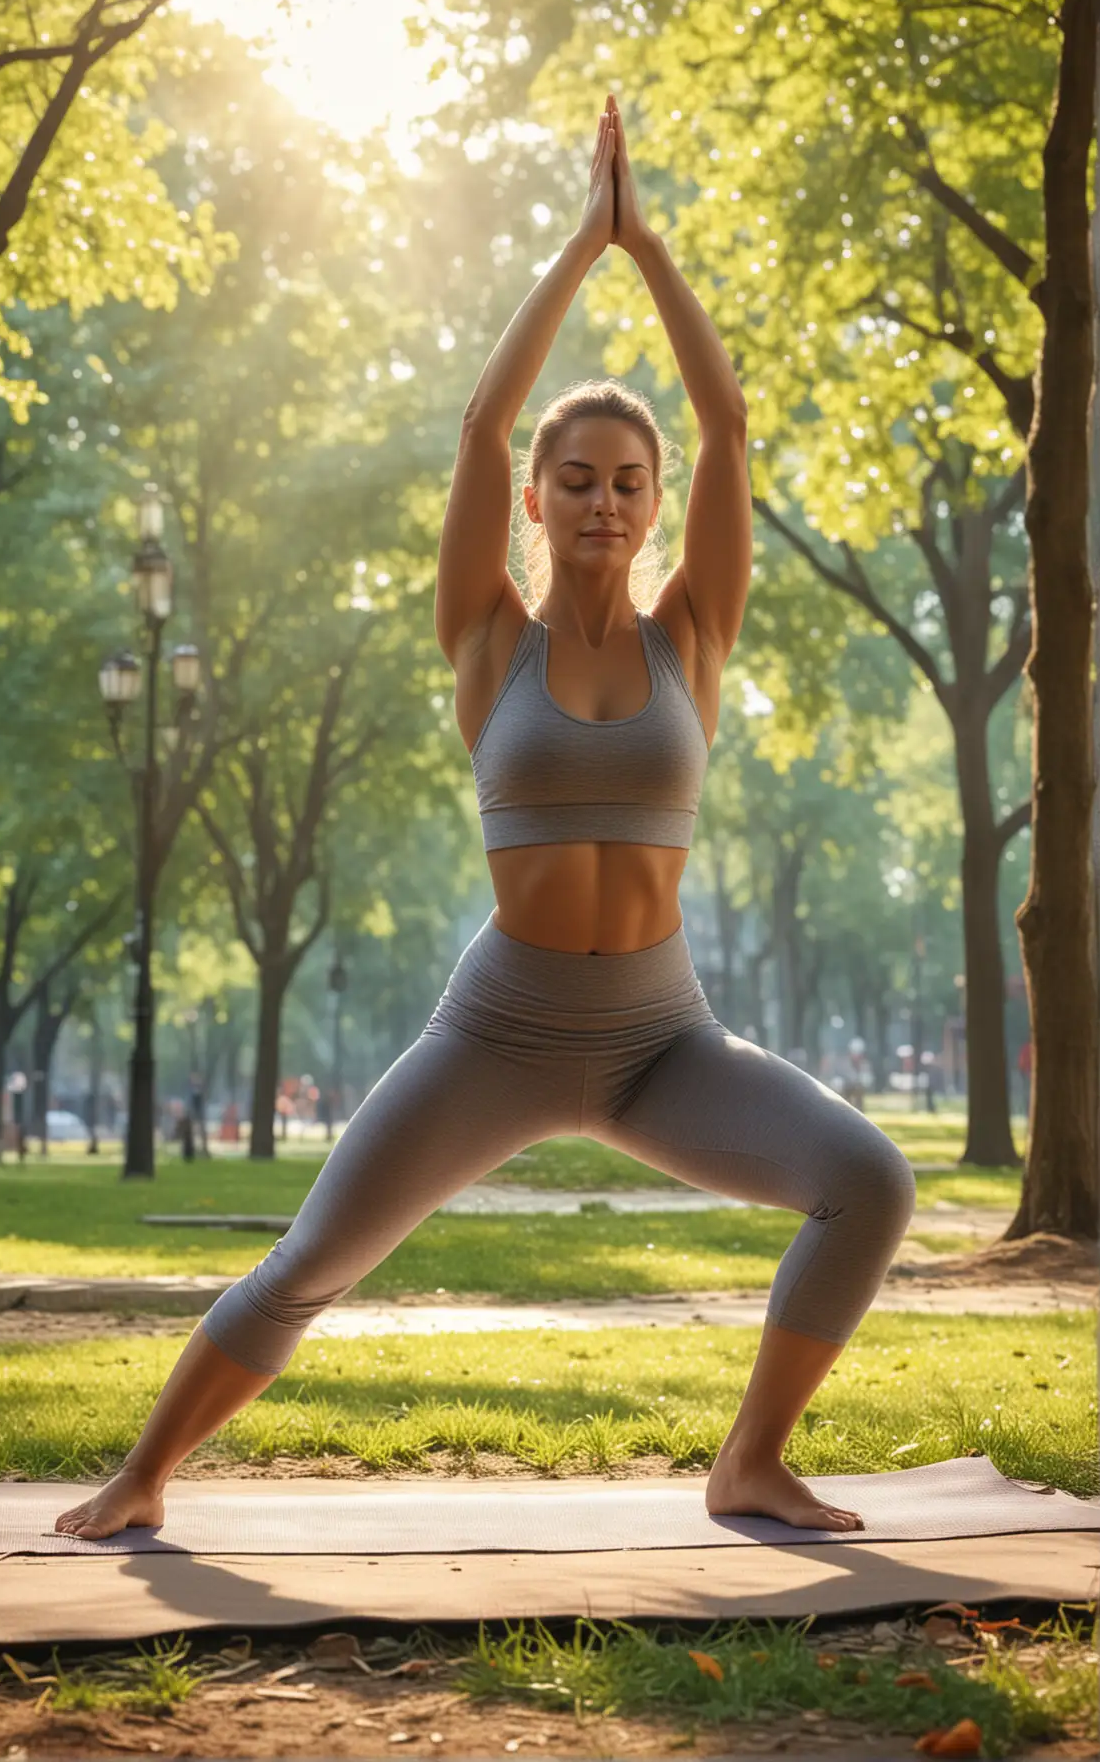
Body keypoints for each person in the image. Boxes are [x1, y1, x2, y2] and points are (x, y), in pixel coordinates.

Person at [56, 92, 916, 1545]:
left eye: (627, 485)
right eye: (575, 480)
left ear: (655, 505)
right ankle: (139, 1477)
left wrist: (652, 253)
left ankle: (750, 1461)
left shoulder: (690, 638)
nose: (604, 502)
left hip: (661, 1039)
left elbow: (729, 417)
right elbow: (476, 420)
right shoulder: (486, 638)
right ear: (538, 496)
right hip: (498, 1031)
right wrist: (583, 248)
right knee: (317, 1260)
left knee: (870, 1184)